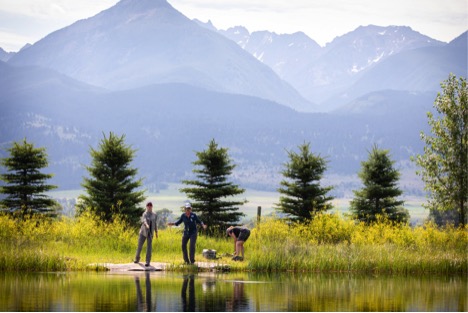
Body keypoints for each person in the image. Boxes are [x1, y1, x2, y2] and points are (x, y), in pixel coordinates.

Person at [134, 201, 158, 267]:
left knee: (149, 247)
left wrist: (156, 232)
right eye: (148, 205)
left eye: (150, 205)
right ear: (146, 207)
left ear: (152, 206)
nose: (149, 207)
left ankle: (148, 261)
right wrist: (146, 224)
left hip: (150, 233)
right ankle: (137, 259)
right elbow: (144, 220)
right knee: (140, 246)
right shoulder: (144, 213)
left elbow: (155, 223)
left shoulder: (155, 214)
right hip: (143, 232)